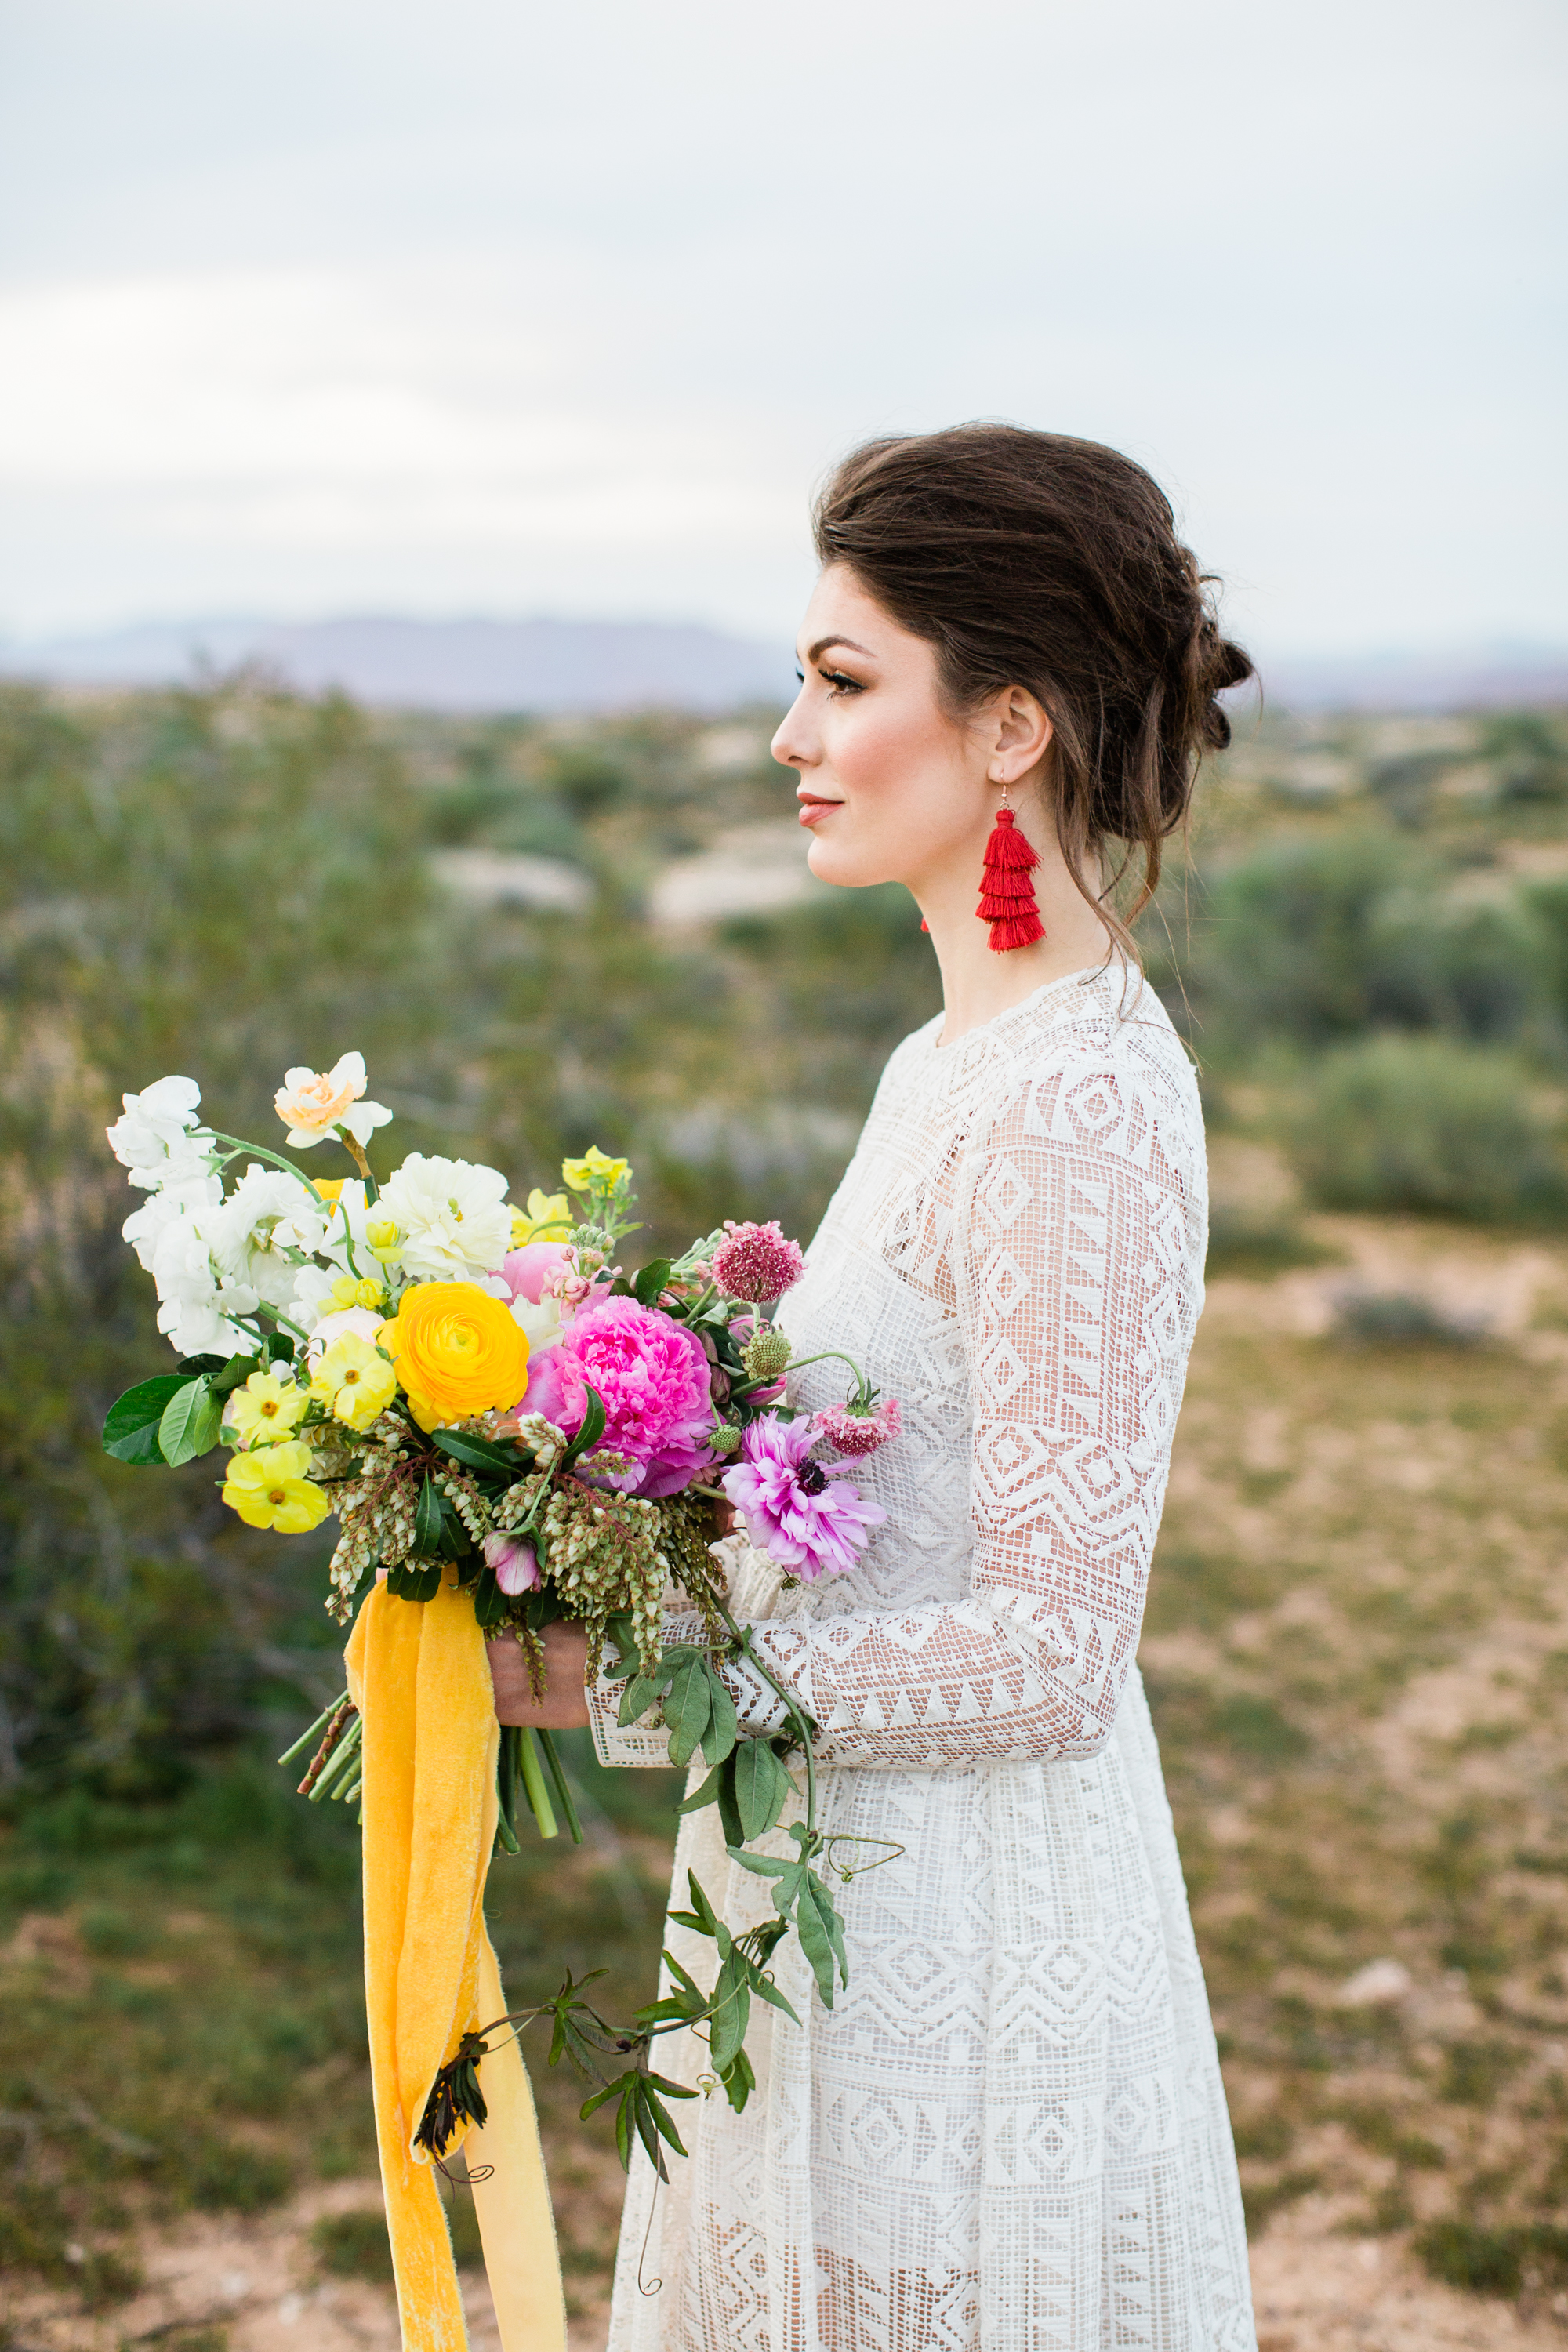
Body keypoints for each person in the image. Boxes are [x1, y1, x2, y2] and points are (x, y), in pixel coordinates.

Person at [490, 424, 1258, 2352]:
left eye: (843, 682)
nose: (789, 735)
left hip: (964, 1938)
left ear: (1009, 726)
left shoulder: (1074, 1101)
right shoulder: (950, 1061)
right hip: (811, 1879)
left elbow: (1054, 1649)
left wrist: (653, 1685)